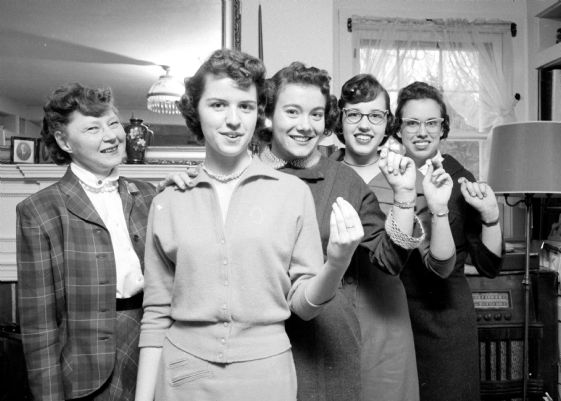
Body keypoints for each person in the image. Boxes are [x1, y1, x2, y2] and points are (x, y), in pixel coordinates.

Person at [134, 49, 363, 401]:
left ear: (260, 115)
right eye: (217, 105)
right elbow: (156, 315)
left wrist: (336, 263)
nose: (233, 120)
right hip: (183, 378)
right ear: (195, 110)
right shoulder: (170, 200)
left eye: (245, 106)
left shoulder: (291, 193)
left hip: (266, 377)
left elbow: (302, 304)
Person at [257, 63, 447, 401]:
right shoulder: (244, 175)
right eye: (292, 112)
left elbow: (389, 260)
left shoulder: (344, 181)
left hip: (326, 333)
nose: (305, 126)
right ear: (268, 115)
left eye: (316, 114)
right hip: (259, 339)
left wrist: (405, 195)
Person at [16, 83, 190, 401]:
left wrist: (183, 199)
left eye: (112, 123)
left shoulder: (152, 194)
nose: (111, 135)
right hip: (87, 372)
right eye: (93, 128)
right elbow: (39, 325)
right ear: (63, 140)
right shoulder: (39, 211)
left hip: (158, 351)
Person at [332, 73, 458, 401]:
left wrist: (439, 208)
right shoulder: (319, 171)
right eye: (353, 114)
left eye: (375, 115)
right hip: (326, 317)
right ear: (339, 119)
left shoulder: (409, 177)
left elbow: (440, 266)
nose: (364, 125)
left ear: (387, 123)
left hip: (384, 324)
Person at [393, 81, 504, 401]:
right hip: (395, 320)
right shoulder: (386, 178)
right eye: (412, 122)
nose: (422, 131)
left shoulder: (460, 179)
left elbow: (489, 266)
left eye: (432, 123)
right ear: (398, 129)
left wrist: (491, 216)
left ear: (444, 129)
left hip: (447, 323)